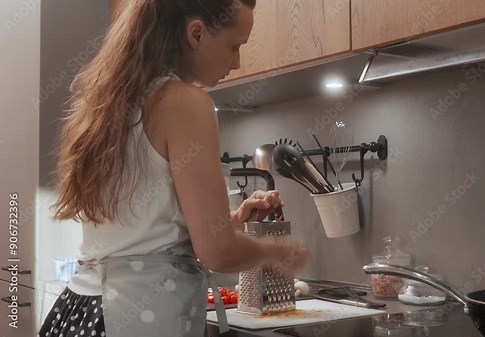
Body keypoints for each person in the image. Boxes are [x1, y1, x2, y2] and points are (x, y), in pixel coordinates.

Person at [37, 1, 309, 336]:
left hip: (81, 311)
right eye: (234, 45)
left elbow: (142, 232)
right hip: (133, 319)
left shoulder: (111, 102)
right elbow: (219, 253)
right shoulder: (184, 102)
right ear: (196, 33)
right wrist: (281, 251)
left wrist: (233, 221)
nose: (237, 62)